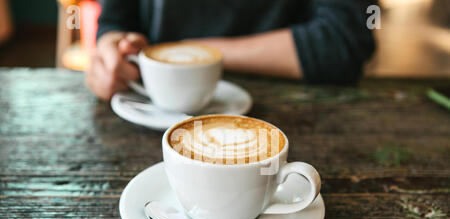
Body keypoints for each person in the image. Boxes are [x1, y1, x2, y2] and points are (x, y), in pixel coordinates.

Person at [86, 0, 376, 101]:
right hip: (150, 118)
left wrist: (194, 54)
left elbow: (344, 40)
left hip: (293, 115)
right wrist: (110, 52)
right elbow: (115, 21)